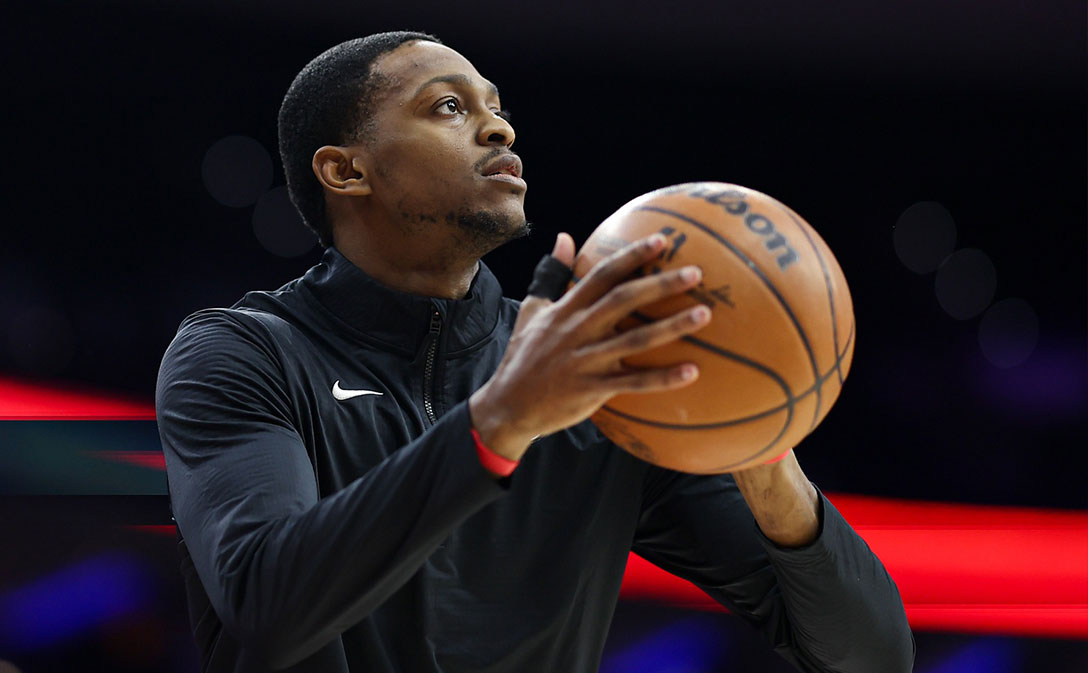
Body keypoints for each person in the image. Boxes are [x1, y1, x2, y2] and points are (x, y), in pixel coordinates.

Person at [156, 31, 914, 673]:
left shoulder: (601, 381)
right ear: (346, 169)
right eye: (449, 106)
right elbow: (264, 602)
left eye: (497, 108)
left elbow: (871, 656)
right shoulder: (243, 353)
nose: (499, 129)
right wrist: (501, 420)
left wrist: (761, 442)